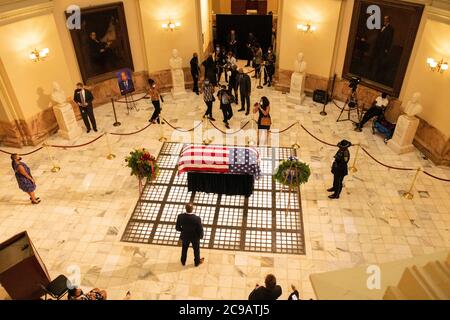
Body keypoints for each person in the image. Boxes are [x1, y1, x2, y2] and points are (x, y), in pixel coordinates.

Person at [371, 16, 394, 83]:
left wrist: (387, 48)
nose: (384, 20)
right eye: (384, 19)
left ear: (388, 20)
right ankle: (372, 73)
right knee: (374, 58)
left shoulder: (391, 29)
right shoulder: (381, 26)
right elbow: (378, 36)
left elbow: (390, 40)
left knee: (380, 61)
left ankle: (377, 75)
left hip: (383, 48)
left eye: (386, 19)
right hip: (377, 46)